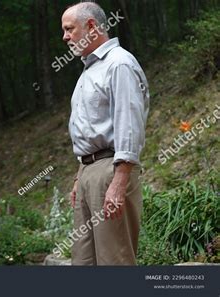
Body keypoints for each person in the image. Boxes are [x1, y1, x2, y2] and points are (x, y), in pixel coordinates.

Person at [62, 2, 149, 265]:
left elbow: (128, 123)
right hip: (89, 172)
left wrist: (120, 179)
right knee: (84, 262)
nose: (64, 37)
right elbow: (89, 130)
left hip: (111, 170)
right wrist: (80, 176)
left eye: (69, 29)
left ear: (91, 26)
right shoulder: (89, 70)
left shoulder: (119, 63)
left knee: (114, 261)